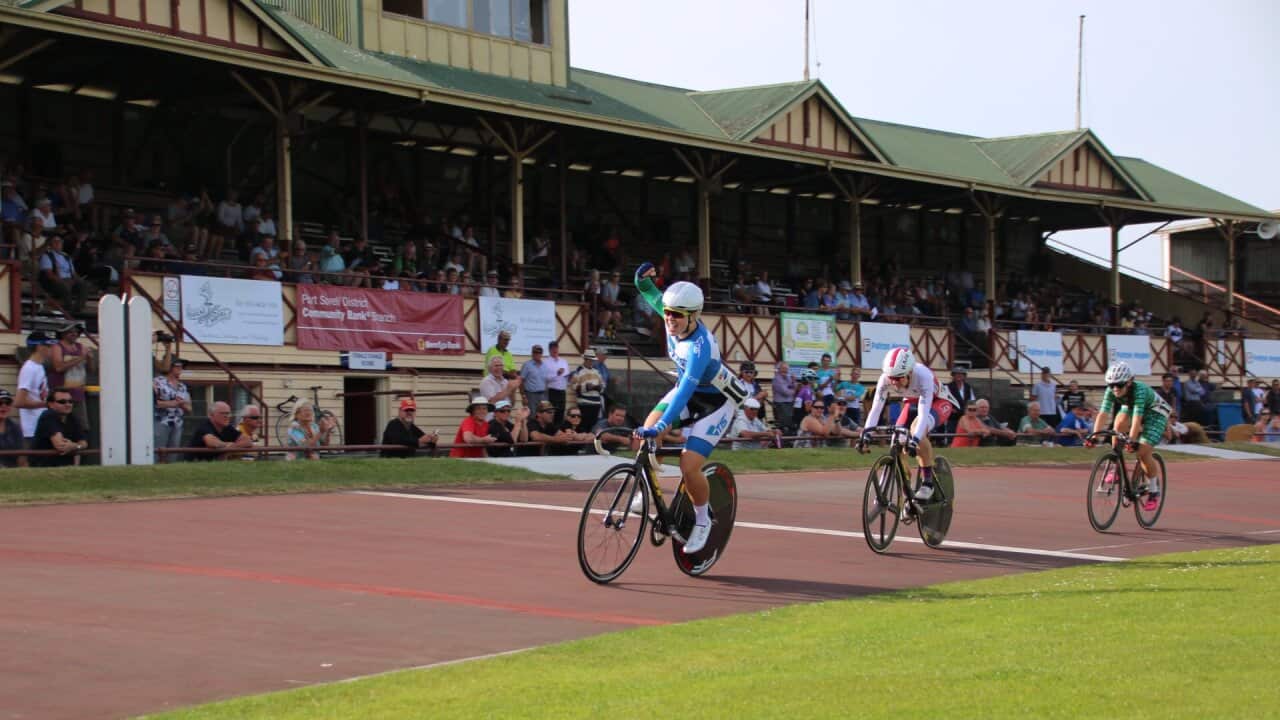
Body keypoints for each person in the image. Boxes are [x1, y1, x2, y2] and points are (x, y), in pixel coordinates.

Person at [631, 261, 751, 554]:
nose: (669, 320)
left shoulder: (700, 346)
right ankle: (646, 490)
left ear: (694, 316)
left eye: (677, 316)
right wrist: (641, 279)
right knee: (642, 436)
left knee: (689, 465)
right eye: (668, 314)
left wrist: (664, 424)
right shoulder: (675, 315)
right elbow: (650, 293)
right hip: (692, 391)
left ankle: (702, 520)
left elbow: (684, 391)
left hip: (716, 402)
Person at [857, 346, 960, 503]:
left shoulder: (923, 375)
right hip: (911, 402)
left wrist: (916, 440)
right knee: (897, 439)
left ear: (910, 372)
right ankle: (907, 494)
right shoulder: (885, 378)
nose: (895, 384)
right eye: (891, 378)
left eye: (898, 378)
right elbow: (876, 409)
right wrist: (865, 435)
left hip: (938, 402)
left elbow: (924, 413)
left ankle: (927, 483)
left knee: (915, 429)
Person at [1088, 361, 1172, 511]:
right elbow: (1103, 413)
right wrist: (1094, 436)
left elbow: (1137, 419)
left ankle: (1153, 490)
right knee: (1118, 426)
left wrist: (1132, 441)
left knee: (1141, 452)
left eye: (1119, 385)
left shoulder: (1139, 390)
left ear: (1129, 382)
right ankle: (1117, 465)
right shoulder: (1112, 390)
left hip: (1156, 413)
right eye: (1111, 385)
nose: (1115, 389)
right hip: (1132, 408)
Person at [48, 322, 91, 431]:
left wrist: (90, 358)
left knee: (81, 427)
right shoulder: (57, 347)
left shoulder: (81, 347)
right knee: (60, 426)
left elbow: (91, 370)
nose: (74, 334)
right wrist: (81, 358)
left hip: (78, 394)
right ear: (63, 333)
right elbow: (59, 367)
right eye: (71, 331)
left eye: (76, 331)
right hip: (61, 396)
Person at [16, 330, 56, 447]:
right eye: (48, 345)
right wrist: (47, 404)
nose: (51, 348)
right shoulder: (29, 369)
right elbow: (19, 401)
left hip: (41, 424)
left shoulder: (39, 367)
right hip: (32, 427)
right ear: (39, 347)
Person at [31, 387, 88, 467]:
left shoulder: (72, 418)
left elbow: (84, 443)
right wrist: (76, 446)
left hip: (65, 469)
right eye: (62, 402)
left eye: (70, 401)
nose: (68, 404)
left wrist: (75, 446)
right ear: (50, 404)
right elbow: (60, 445)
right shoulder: (48, 416)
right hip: (43, 469)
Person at [153, 357, 192, 462]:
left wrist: (181, 404)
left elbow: (189, 408)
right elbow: (154, 403)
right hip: (161, 421)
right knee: (158, 451)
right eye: (177, 366)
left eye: (182, 366)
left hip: (177, 423)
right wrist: (173, 403)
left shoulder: (182, 386)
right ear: (170, 367)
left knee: (173, 453)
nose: (180, 369)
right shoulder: (158, 382)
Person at [186, 401, 253, 461]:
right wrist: (228, 445)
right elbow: (212, 442)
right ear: (211, 415)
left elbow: (247, 440)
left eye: (229, 413)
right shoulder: (204, 426)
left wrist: (228, 450)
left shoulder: (227, 427)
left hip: (212, 466)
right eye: (224, 414)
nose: (228, 416)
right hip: (194, 465)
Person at [569, 349, 605, 430]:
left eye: (592, 360)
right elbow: (574, 386)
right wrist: (586, 387)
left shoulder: (597, 372)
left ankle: (592, 442)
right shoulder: (578, 371)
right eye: (589, 360)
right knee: (583, 426)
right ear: (585, 359)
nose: (591, 362)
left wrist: (597, 387)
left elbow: (603, 386)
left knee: (593, 426)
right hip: (584, 404)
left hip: (596, 404)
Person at [945, 366, 978, 445]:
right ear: (953, 376)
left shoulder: (968, 387)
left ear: (964, 376)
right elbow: (944, 401)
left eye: (961, 374)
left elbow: (972, 401)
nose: (959, 376)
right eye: (957, 374)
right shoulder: (947, 387)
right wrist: (950, 409)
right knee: (952, 434)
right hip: (953, 416)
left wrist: (970, 411)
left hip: (965, 416)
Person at [542, 339, 570, 423]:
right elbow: (545, 378)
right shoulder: (546, 362)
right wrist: (556, 374)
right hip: (552, 391)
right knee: (551, 413)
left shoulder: (564, 361)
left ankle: (559, 433)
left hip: (562, 391)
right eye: (552, 348)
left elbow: (567, 375)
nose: (555, 350)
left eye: (556, 348)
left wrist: (569, 377)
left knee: (561, 413)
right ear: (549, 350)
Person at [519, 344, 548, 412]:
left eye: (539, 352)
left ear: (542, 354)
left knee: (542, 415)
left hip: (543, 395)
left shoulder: (544, 365)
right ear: (532, 353)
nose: (537, 354)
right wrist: (523, 396)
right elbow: (521, 381)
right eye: (535, 352)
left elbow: (545, 381)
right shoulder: (527, 365)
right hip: (531, 395)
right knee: (532, 416)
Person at [0, 389, 25, 468]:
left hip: (12, 473)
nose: (4, 406)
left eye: (8, 403)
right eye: (0, 403)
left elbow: (21, 457)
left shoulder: (15, 427)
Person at [771, 362, 797, 435]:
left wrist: (794, 381)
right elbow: (786, 392)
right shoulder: (777, 379)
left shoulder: (788, 378)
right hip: (781, 404)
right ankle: (783, 440)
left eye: (786, 369)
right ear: (779, 369)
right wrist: (793, 389)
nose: (785, 370)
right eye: (783, 368)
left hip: (789, 403)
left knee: (789, 423)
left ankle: (788, 439)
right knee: (783, 424)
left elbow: (794, 387)